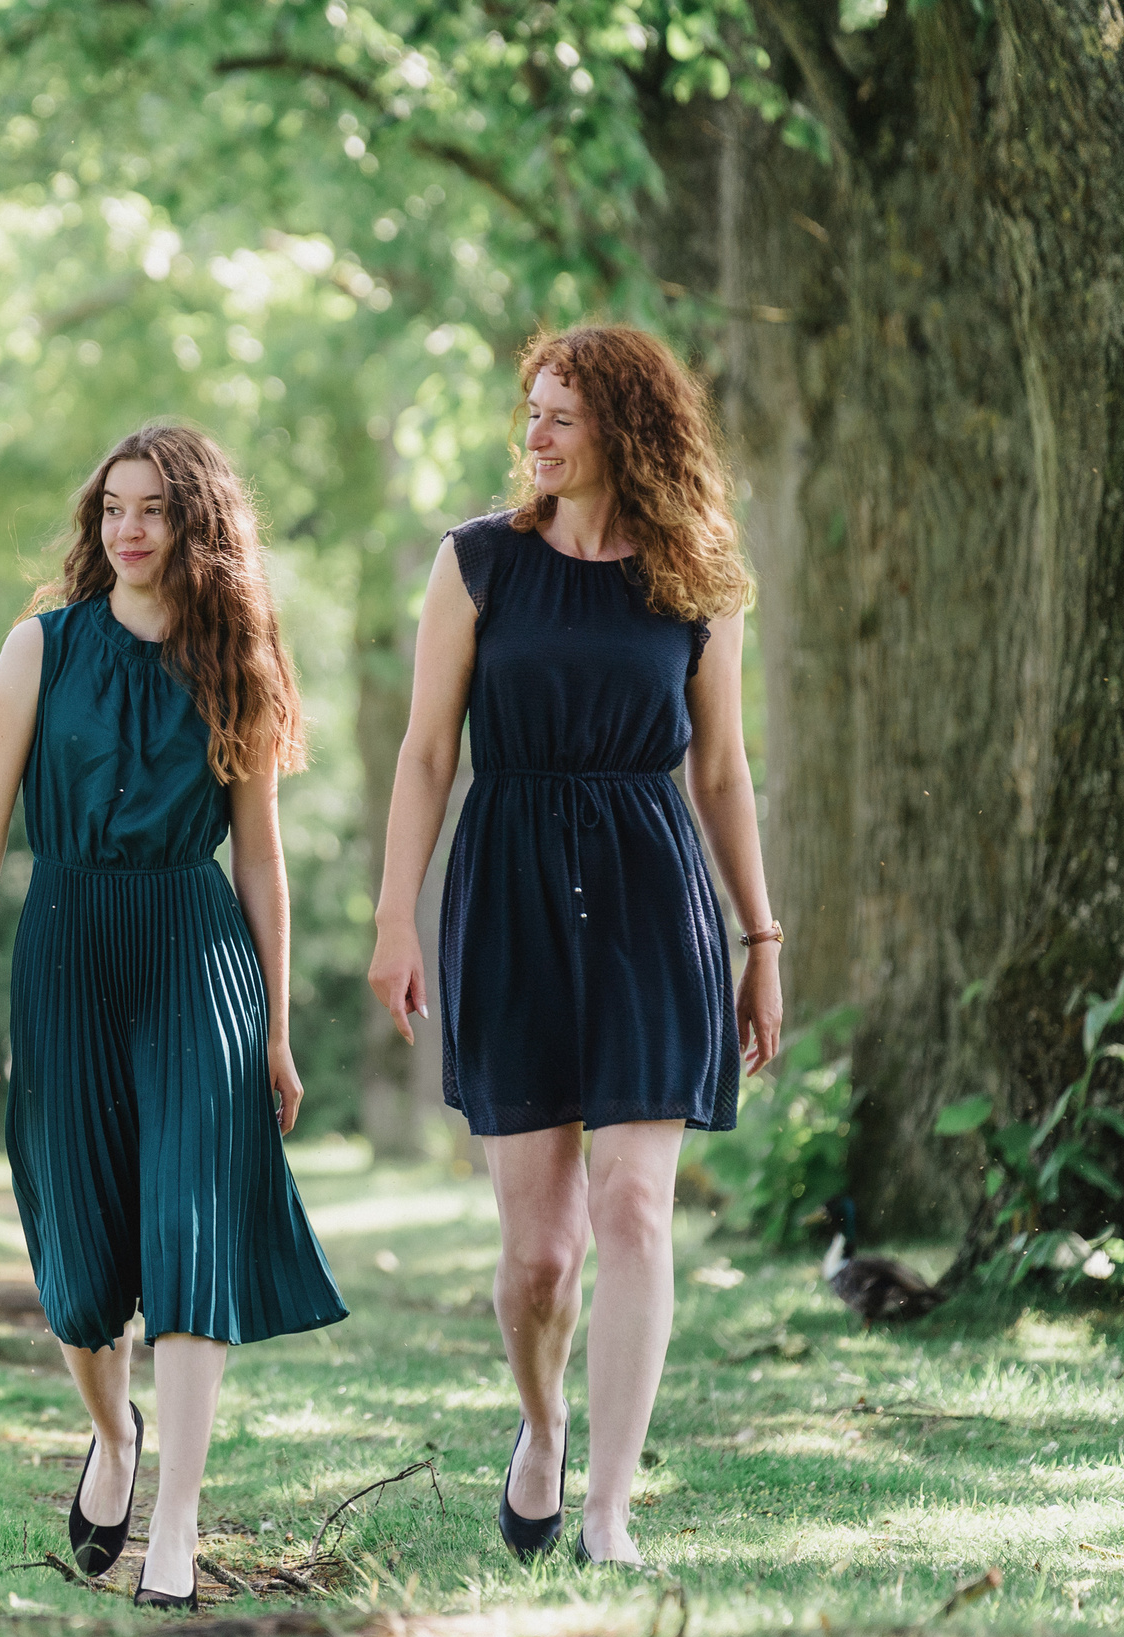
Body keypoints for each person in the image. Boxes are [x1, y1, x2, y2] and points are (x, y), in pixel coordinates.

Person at [366, 324, 783, 1570]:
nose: (534, 433)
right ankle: (540, 1428)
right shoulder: (478, 563)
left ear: (627, 432)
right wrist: (398, 915)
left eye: (562, 415)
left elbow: (719, 771)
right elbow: (428, 752)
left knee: (635, 1207)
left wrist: (761, 936)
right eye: (530, 411)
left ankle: (607, 1509)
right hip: (507, 889)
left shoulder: (696, 578)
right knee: (540, 1253)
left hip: (656, 895)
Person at [0, 423, 348, 1608]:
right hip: (64, 948)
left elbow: (261, 862)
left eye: (154, 509)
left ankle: (176, 1522)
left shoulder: (237, 659)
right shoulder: (41, 648)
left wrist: (271, 1025)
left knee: (187, 1236)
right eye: (113, 506)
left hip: (193, 953)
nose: (128, 528)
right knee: (77, 1252)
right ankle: (112, 1436)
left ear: (196, 526)